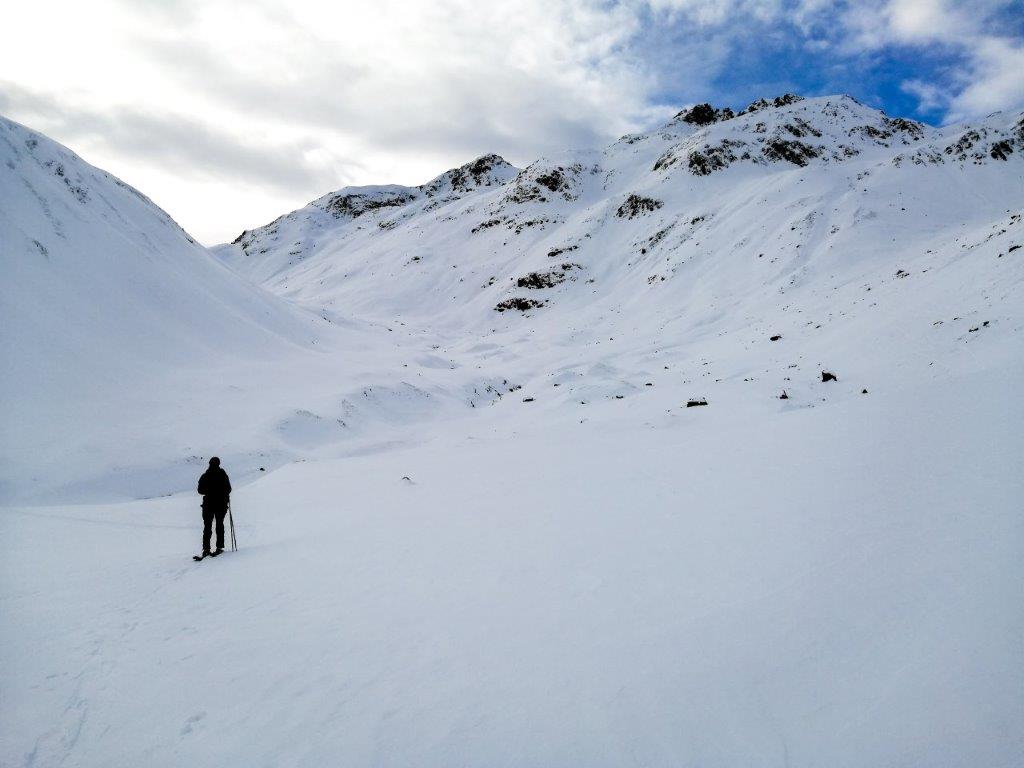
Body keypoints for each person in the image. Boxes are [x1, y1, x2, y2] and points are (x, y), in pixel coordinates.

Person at [197, 457, 231, 556]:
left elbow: (200, 490)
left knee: (207, 526)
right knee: (219, 525)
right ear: (218, 464)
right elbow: (228, 489)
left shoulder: (205, 476)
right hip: (221, 504)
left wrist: (209, 491)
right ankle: (219, 547)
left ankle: (206, 549)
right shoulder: (223, 475)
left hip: (208, 504)